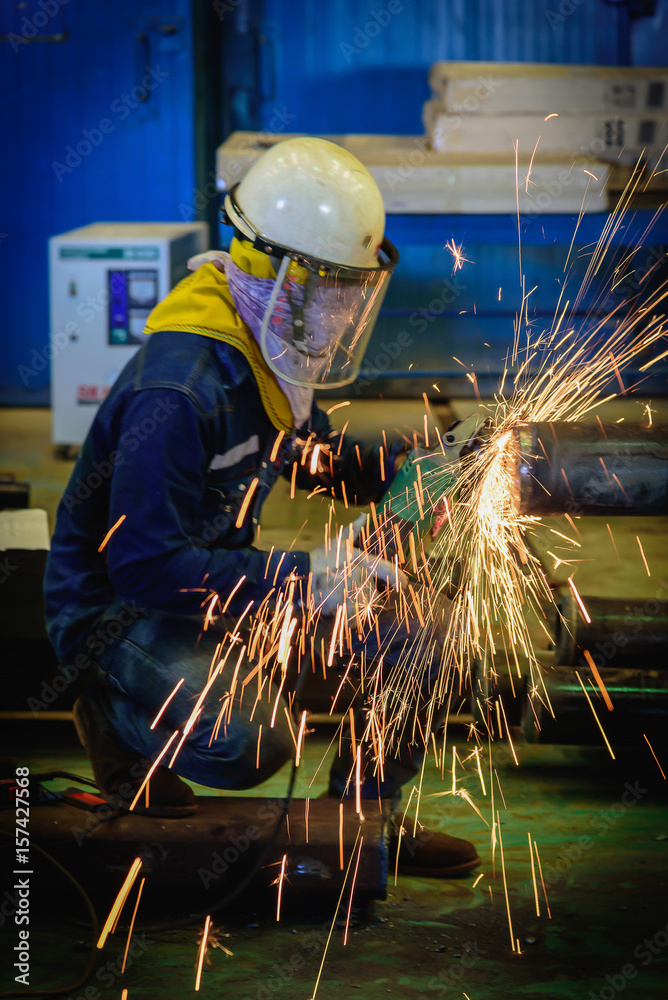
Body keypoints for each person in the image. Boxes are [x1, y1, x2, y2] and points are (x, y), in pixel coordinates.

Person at [44, 137, 479, 876]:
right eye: (338, 290)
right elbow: (143, 566)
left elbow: (308, 456)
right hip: (124, 613)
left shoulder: (269, 349)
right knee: (253, 741)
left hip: (215, 585)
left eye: (355, 292)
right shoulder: (179, 391)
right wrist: (307, 575)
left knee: (430, 640)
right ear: (285, 275)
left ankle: (361, 823)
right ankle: (112, 715)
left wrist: (412, 466)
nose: (347, 312)